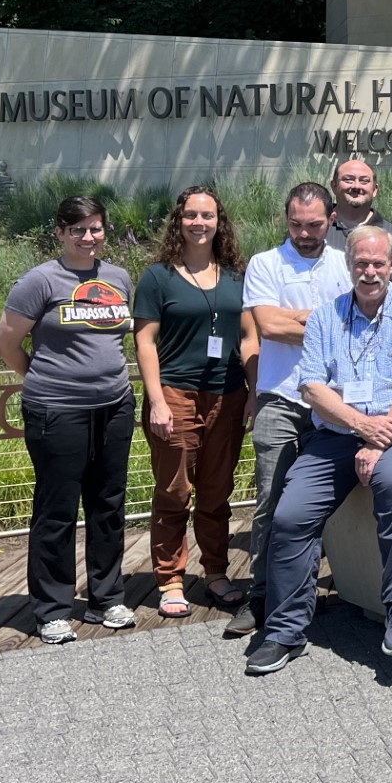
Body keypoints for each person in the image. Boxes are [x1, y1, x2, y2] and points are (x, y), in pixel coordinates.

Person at [245, 227, 392, 674]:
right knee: (290, 515)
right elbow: (312, 386)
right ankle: (285, 630)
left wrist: (380, 436)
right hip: (336, 434)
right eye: (361, 264)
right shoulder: (324, 318)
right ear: (348, 264)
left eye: (378, 264)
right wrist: (359, 426)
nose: (369, 272)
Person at [0, 196, 138, 643]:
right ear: (59, 232)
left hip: (114, 404)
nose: (88, 237)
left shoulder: (118, 277)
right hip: (56, 409)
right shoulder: (39, 281)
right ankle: (52, 608)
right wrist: (41, 378)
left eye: (95, 228)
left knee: (108, 503)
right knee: (57, 509)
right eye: (77, 229)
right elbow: (7, 343)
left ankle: (106, 597)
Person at [235, 182, 353, 636]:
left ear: (331, 219)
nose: (304, 233)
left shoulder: (346, 264)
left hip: (339, 399)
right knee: (271, 500)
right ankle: (262, 595)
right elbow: (268, 326)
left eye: (314, 224)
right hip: (280, 397)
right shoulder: (266, 264)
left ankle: (315, 589)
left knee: (329, 499)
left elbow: (360, 319)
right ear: (286, 221)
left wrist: (298, 318)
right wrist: (326, 320)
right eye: (296, 224)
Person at [133, 185, 253, 620]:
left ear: (219, 221)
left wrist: (254, 393)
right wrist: (157, 401)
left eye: (207, 216)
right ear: (177, 220)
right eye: (190, 216)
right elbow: (144, 342)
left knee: (218, 491)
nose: (199, 223)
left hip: (228, 393)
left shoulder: (236, 274)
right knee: (174, 491)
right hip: (176, 394)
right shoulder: (158, 277)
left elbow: (247, 336)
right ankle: (170, 579)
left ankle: (217, 573)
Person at [328, 158, 392, 264]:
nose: (356, 186)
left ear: (375, 190)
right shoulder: (317, 228)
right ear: (334, 186)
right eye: (348, 180)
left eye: (364, 181)